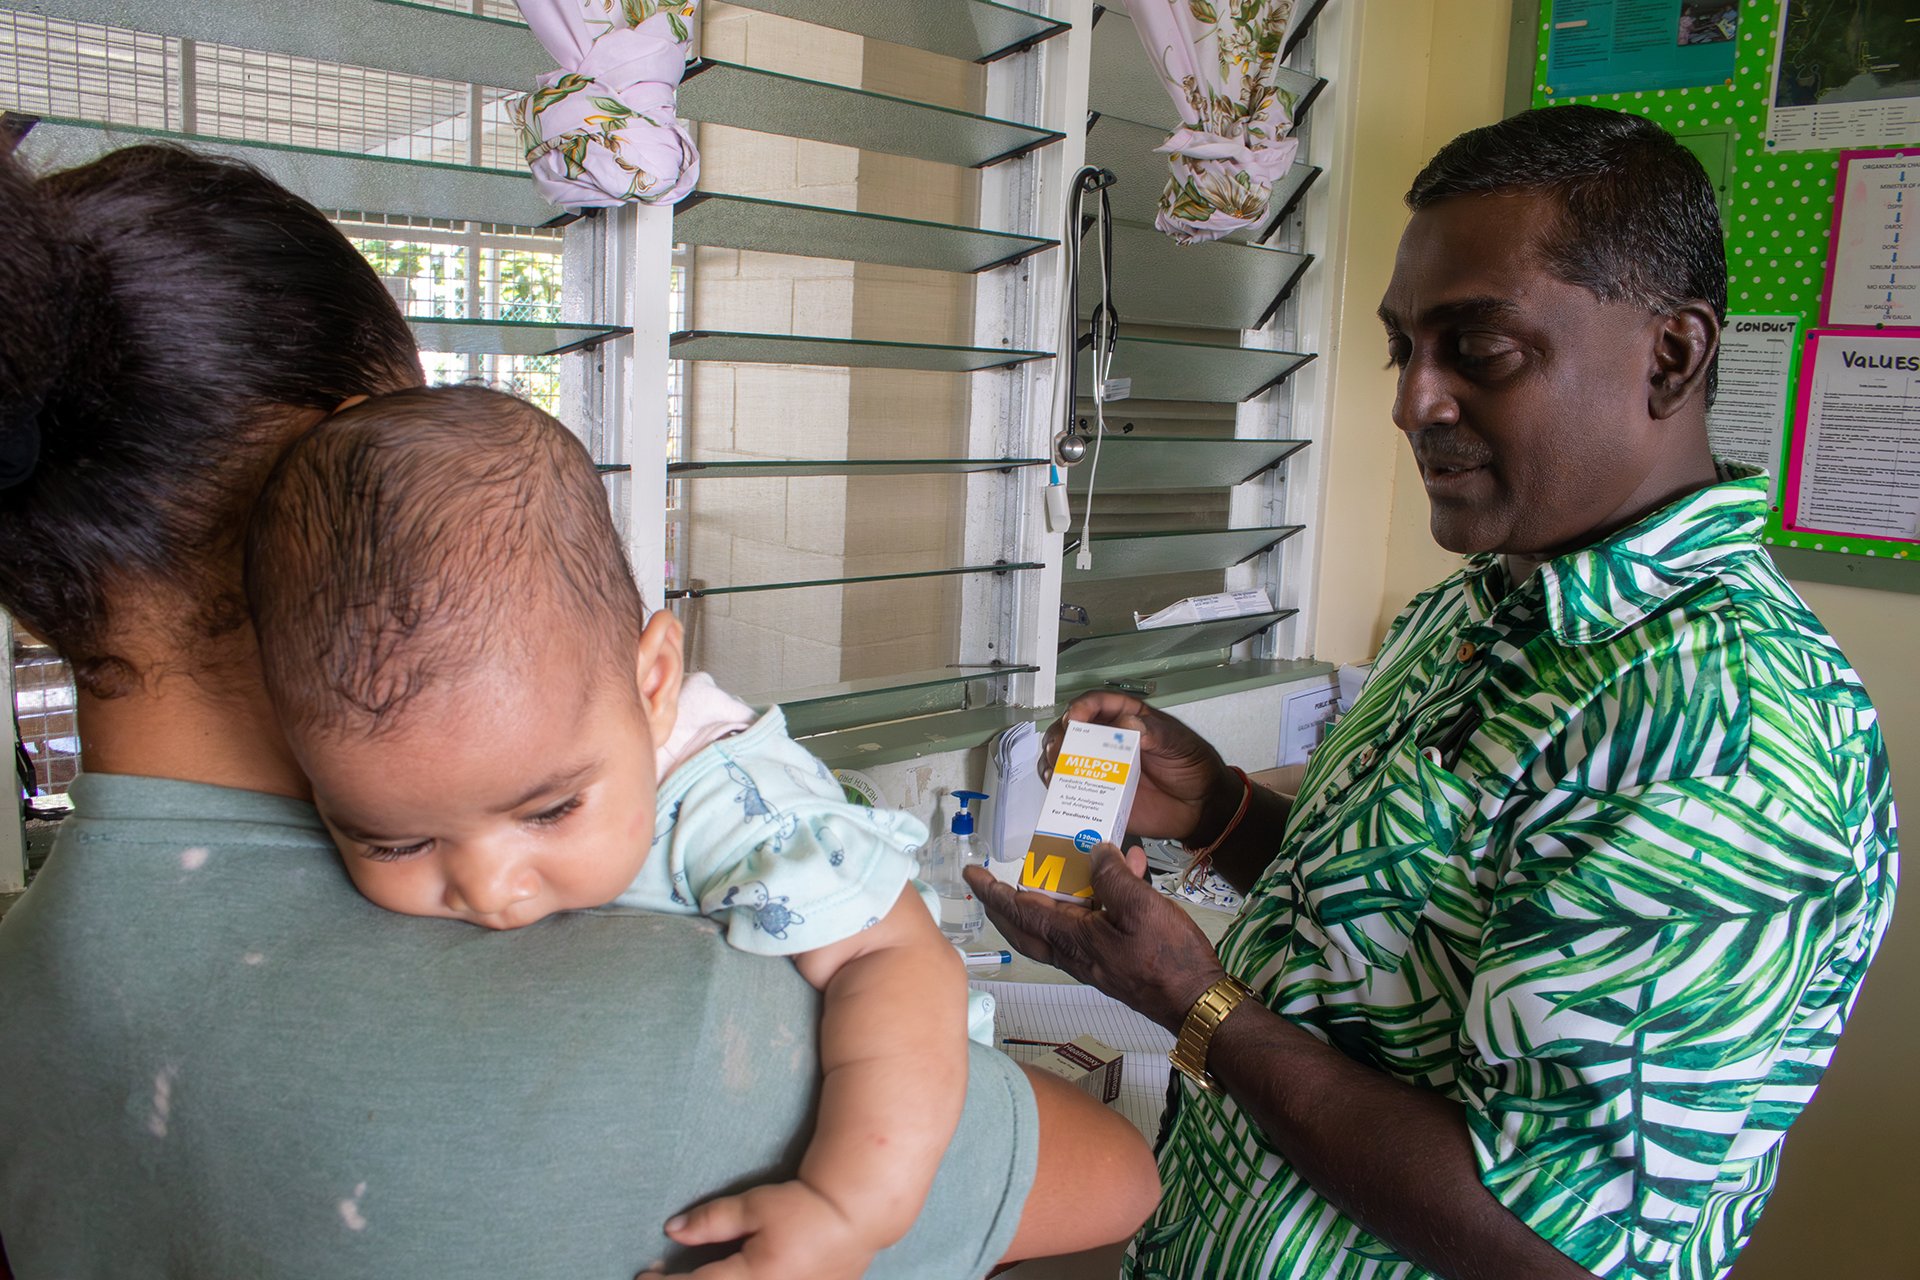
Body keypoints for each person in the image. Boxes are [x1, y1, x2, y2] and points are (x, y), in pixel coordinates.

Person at [0, 142, 1160, 1278]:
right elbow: (1112, 1175)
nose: (490, 888)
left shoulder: (25, 976)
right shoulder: (663, 1023)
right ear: (343, 457)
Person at [968, 105, 1898, 1280]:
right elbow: (1419, 933)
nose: (1414, 401)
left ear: (1672, 355)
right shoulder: (1482, 602)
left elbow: (1549, 1245)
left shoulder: (1727, 730)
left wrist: (1194, 1003)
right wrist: (1219, 809)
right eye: (1403, 347)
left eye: (1480, 349)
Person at [242, 384, 988, 1280]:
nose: (487, 888)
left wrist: (848, 1208)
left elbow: (897, 962)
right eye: (394, 843)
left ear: (653, 685)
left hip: (900, 1139)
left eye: (549, 811)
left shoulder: (738, 815)